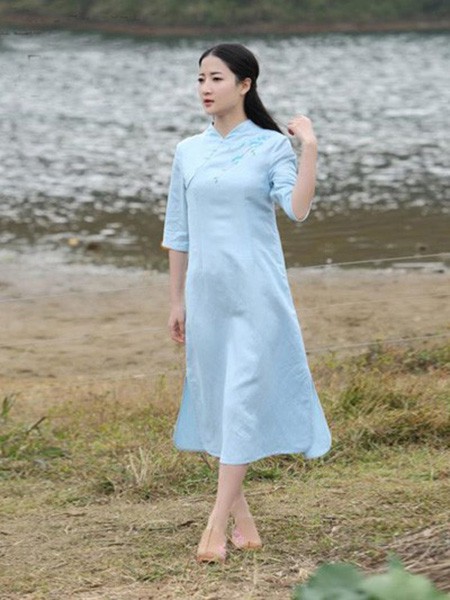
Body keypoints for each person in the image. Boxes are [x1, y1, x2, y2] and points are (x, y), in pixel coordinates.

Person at [161, 43, 331, 563]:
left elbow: (297, 210)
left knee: (239, 400)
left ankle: (214, 526)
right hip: (206, 295)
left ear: (245, 85)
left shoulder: (270, 146)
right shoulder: (188, 151)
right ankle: (244, 522)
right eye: (200, 78)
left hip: (257, 294)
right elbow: (178, 231)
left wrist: (309, 148)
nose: (205, 88)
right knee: (216, 400)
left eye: (216, 78)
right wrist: (176, 300)